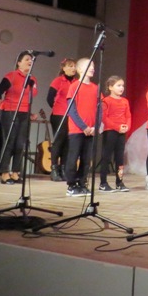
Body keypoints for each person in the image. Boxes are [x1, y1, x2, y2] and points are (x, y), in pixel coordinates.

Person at [0, 51, 38, 185]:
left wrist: (30, 113)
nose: (30, 61)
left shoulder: (32, 79)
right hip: (10, 111)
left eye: (31, 60)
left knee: (20, 144)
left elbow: (27, 98)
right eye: (27, 59)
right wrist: (1, 107)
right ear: (19, 63)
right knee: (9, 141)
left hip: (24, 113)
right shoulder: (11, 76)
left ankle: (16, 172)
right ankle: (4, 173)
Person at [65, 57, 98, 196]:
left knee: (86, 159)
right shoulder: (74, 86)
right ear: (79, 69)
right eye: (89, 66)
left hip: (91, 130)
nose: (92, 68)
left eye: (93, 66)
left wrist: (95, 126)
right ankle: (71, 185)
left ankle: (82, 183)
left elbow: (100, 109)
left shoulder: (96, 88)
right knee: (73, 158)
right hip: (77, 130)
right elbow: (71, 110)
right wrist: (84, 127)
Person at [46, 58, 77, 181]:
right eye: (70, 66)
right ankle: (54, 168)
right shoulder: (58, 81)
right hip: (59, 115)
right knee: (59, 141)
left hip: (72, 116)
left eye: (74, 66)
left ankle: (64, 168)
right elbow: (49, 98)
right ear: (63, 68)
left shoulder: (76, 82)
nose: (73, 68)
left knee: (68, 142)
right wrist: (57, 108)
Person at [100, 75, 131, 192]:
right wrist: (117, 127)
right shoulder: (106, 101)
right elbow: (104, 117)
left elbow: (128, 116)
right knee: (106, 157)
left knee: (119, 157)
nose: (121, 88)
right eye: (118, 85)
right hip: (110, 131)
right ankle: (103, 183)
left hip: (121, 131)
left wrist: (126, 126)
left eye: (122, 85)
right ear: (110, 87)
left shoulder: (125, 101)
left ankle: (119, 182)